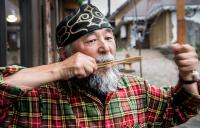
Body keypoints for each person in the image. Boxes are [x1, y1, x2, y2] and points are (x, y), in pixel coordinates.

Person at [0, 3, 200, 128]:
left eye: (108, 37)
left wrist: (187, 76)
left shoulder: (136, 89)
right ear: (64, 53)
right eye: (91, 41)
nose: (106, 48)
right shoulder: (40, 97)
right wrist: (59, 69)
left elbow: (178, 108)